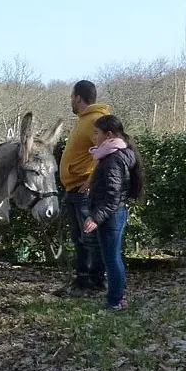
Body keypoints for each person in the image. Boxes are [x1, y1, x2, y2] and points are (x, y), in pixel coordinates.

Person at [54, 80, 112, 298]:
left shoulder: (95, 120)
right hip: (73, 189)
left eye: (72, 96)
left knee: (89, 237)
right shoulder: (83, 121)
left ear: (78, 97)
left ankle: (96, 282)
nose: (70, 99)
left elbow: (107, 150)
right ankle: (81, 281)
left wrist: (92, 180)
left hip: (82, 189)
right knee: (79, 237)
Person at [83, 114, 144, 311]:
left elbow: (112, 194)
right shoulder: (113, 156)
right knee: (113, 257)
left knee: (112, 259)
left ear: (109, 135)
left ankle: (115, 301)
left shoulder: (113, 160)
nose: (95, 136)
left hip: (111, 216)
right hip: (114, 214)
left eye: (97, 132)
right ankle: (118, 298)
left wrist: (96, 218)